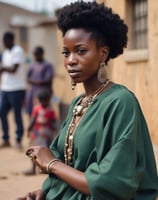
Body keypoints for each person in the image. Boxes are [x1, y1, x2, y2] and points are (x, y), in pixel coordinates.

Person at [17, 1, 158, 200]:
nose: (71, 60)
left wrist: (51, 164)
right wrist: (46, 193)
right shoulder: (78, 104)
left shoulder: (121, 102)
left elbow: (110, 183)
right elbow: (70, 166)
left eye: (81, 51)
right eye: (66, 52)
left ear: (103, 53)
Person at [0, 31, 26, 149]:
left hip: (17, 88)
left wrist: (2, 68)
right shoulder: (5, 52)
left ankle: (18, 139)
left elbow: (14, 69)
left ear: (10, 40)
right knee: (2, 112)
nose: (3, 43)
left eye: (4, 41)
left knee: (17, 115)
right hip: (5, 88)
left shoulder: (18, 51)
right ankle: (6, 139)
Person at [24, 89, 58, 175]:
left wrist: (57, 131)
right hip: (37, 134)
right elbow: (33, 120)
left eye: (45, 101)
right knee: (35, 151)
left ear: (48, 100)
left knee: (46, 151)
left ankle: (45, 168)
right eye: (42, 101)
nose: (44, 103)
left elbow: (54, 122)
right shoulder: (37, 109)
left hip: (47, 134)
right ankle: (33, 168)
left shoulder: (51, 110)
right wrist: (29, 129)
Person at [25, 46, 55, 116]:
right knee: (33, 112)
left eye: (37, 54)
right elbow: (27, 78)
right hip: (33, 92)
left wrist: (35, 82)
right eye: (34, 54)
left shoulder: (47, 65)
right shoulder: (32, 65)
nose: (35, 56)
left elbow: (48, 80)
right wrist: (34, 82)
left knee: (44, 113)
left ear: (42, 54)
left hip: (44, 94)